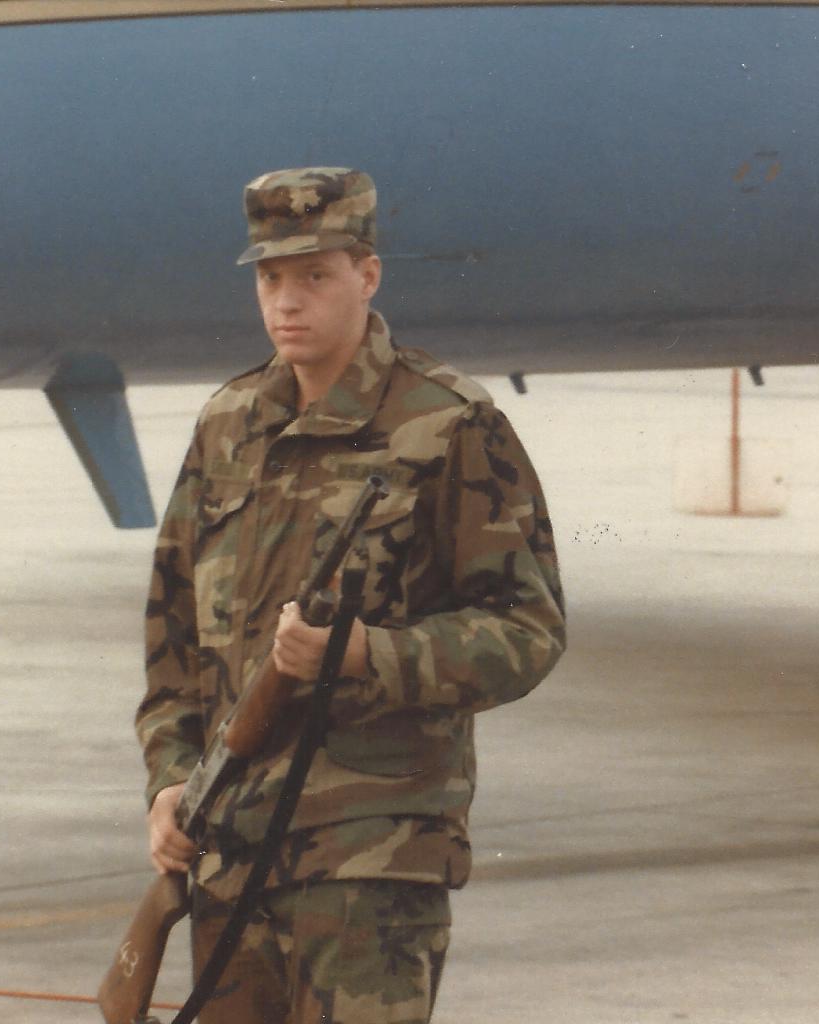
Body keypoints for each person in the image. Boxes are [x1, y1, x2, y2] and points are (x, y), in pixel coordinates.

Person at [137, 167, 565, 1024]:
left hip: (372, 865)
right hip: (229, 859)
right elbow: (173, 640)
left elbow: (527, 628)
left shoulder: (448, 423)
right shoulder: (229, 426)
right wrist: (171, 781)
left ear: (367, 276)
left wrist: (372, 654)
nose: (286, 302)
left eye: (314, 276)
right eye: (270, 278)